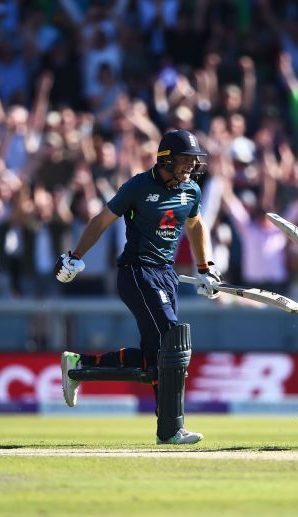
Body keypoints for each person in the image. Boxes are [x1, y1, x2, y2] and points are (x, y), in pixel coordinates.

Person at [55, 129, 220, 445]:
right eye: (185, 160)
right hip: (136, 272)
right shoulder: (138, 187)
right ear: (166, 159)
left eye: (193, 160)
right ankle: (171, 429)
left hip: (167, 276)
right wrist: (74, 257)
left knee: (152, 357)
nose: (190, 166)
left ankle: (80, 366)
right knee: (172, 339)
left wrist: (205, 268)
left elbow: (196, 225)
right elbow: (101, 221)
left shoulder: (192, 191)